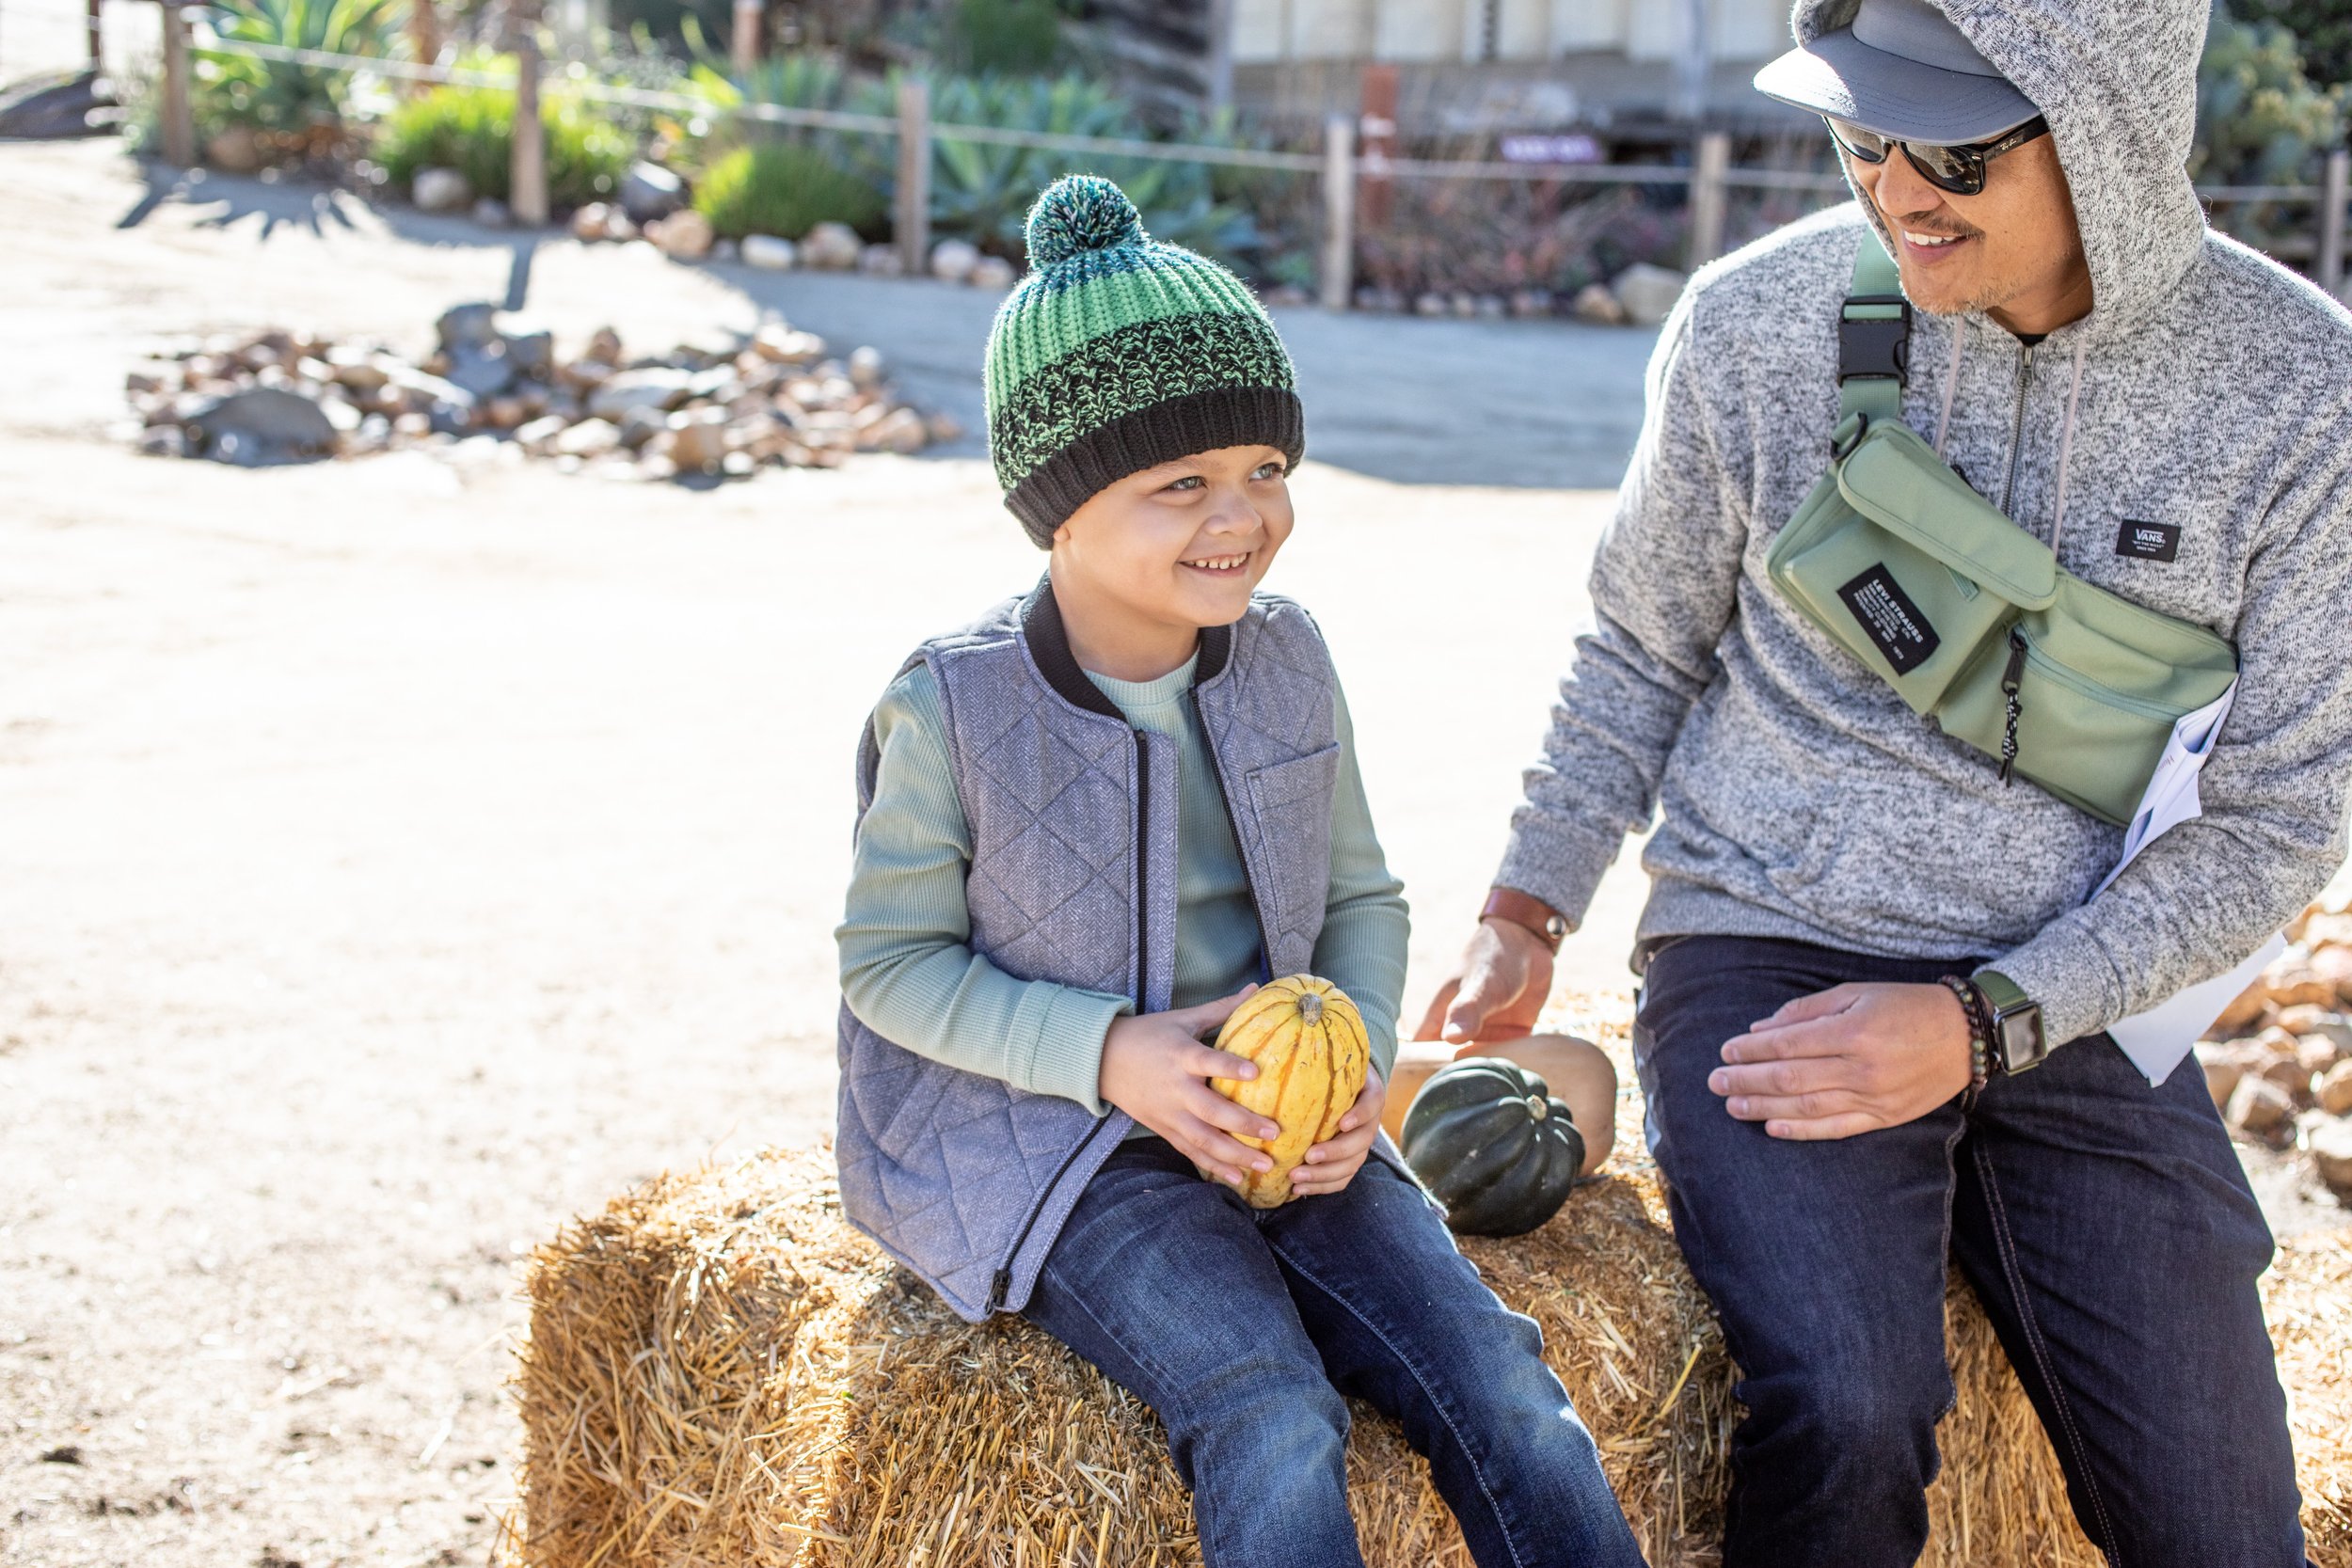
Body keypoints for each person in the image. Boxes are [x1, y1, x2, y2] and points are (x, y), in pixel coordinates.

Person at [1418, 1, 2352, 1563]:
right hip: (1771, 935)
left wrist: (1990, 1021)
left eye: (1958, 152)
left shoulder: (2304, 398)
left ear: (2110, 136)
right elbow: (1640, 646)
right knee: (1850, 1409)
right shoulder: (1750, 326)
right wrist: (1529, 903)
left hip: (2081, 985)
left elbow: (2275, 820)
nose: (1897, 188)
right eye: (1862, 138)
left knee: (2226, 1520)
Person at [834, 175, 1648, 1568]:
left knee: (1508, 1395)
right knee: (1269, 1410)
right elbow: (886, 966)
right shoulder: (952, 707)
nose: (1243, 517)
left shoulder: (1290, 657)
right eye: (1182, 485)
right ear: (1060, 509)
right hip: (1067, 1139)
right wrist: (1112, 1058)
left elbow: (1361, 901)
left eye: (1268, 470)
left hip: (1290, 1109)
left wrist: (1359, 1067)